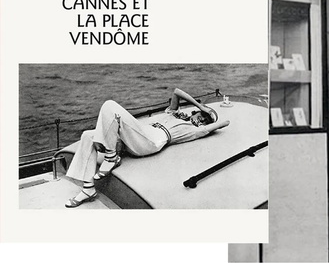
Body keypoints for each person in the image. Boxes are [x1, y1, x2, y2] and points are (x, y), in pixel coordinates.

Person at [64, 88, 230, 208]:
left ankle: (111, 156)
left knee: (109, 106)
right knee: (87, 136)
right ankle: (88, 188)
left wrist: (211, 119)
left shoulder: (192, 130)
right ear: (194, 112)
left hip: (153, 141)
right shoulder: (173, 113)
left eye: (204, 121)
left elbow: (224, 123)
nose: (201, 121)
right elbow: (177, 91)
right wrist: (201, 106)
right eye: (200, 116)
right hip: (142, 134)